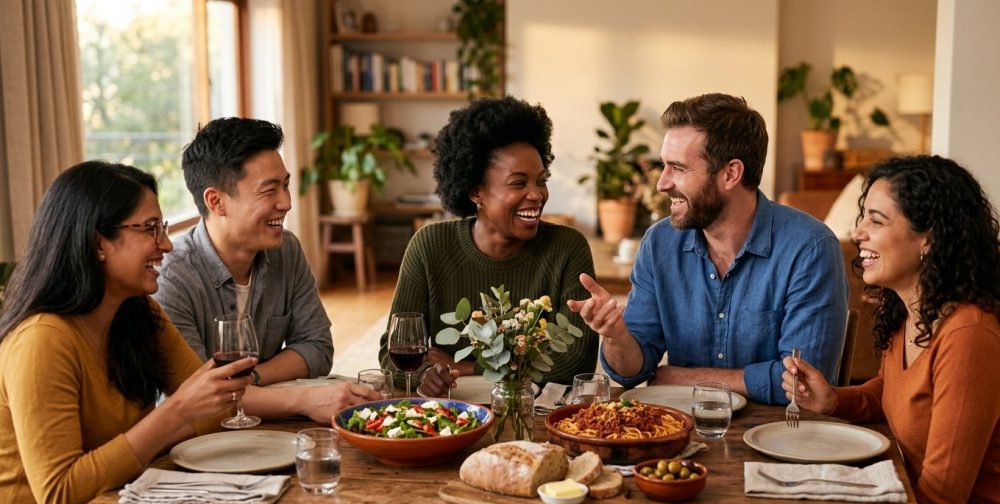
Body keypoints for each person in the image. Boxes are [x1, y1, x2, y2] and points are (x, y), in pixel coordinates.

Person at [0, 162, 254, 504]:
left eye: (163, 227)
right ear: (98, 241)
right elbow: (60, 498)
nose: (166, 245)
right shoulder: (42, 340)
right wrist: (173, 413)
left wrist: (190, 408)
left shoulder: (138, 315)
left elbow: (210, 413)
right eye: (149, 229)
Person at [782, 156, 1000, 504]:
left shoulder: (968, 334)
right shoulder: (910, 312)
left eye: (876, 221)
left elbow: (944, 496)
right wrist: (833, 400)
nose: (857, 232)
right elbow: (891, 389)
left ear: (928, 239)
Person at [568, 93, 848, 405]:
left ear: (730, 174)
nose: (661, 183)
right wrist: (615, 335)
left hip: (777, 438)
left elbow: (804, 386)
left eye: (678, 168)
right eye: (664, 166)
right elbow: (633, 371)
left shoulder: (810, 249)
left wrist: (679, 378)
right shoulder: (659, 243)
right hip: (679, 434)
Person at [154, 117, 378, 423]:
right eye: (268, 191)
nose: (286, 203)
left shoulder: (286, 250)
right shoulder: (171, 278)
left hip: (271, 426)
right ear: (216, 201)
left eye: (285, 185)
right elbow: (198, 397)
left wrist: (252, 379)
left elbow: (317, 348)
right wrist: (303, 398)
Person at [382, 96, 599, 395]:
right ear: (475, 192)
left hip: (534, 414)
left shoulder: (568, 248)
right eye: (519, 183)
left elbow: (576, 360)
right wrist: (428, 374)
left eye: (541, 180)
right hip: (451, 411)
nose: (536, 195)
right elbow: (393, 354)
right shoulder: (429, 246)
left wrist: (467, 368)